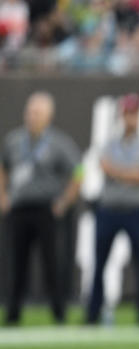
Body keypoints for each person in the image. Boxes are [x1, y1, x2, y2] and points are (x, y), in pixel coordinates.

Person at [0, 91, 83, 325]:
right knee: (16, 263)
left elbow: (78, 171)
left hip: (46, 209)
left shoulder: (59, 143)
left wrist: (65, 201)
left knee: (52, 263)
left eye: (37, 113)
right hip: (19, 209)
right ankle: (13, 314)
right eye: (30, 112)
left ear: (48, 116)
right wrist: (3, 197)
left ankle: (59, 313)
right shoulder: (14, 141)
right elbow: (3, 167)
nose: (32, 117)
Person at [86, 93, 139, 326]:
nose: (131, 118)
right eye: (127, 113)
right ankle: (92, 314)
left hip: (135, 210)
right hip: (109, 209)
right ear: (122, 116)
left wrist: (120, 173)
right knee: (99, 263)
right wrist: (132, 174)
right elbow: (105, 166)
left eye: (134, 114)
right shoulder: (109, 144)